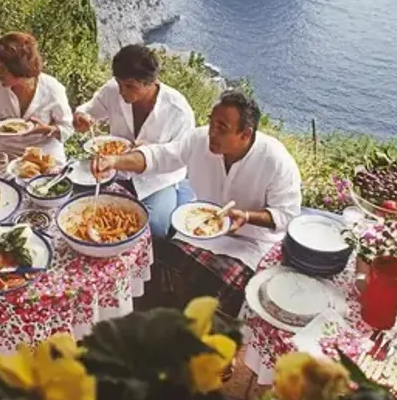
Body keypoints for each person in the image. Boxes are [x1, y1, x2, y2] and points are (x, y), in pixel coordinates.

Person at [92, 89, 302, 315]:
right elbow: (160, 156)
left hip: (250, 243)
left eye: (222, 128)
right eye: (212, 123)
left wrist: (248, 216)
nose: (212, 133)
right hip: (199, 228)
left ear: (245, 134)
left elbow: (286, 214)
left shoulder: (275, 161)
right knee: (160, 260)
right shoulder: (199, 140)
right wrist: (115, 161)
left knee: (224, 287)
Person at [73, 44, 196, 240]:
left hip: (157, 180)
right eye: (119, 83)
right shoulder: (112, 90)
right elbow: (89, 110)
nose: (122, 91)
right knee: (85, 211)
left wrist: (146, 154)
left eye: (130, 86)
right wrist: (81, 117)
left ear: (151, 81)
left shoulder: (178, 111)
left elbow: (178, 157)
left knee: (155, 226)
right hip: (115, 172)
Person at [0, 32, 73, 165]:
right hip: (5, 156)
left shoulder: (52, 88)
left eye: (3, 69)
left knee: (41, 177)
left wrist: (47, 129)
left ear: (20, 67)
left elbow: (68, 128)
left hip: (43, 158)